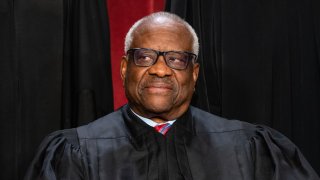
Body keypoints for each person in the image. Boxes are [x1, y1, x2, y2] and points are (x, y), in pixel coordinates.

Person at [25, 12, 319, 180]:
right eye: (145, 57)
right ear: (125, 68)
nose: (161, 70)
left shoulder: (250, 149)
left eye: (177, 59)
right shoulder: (76, 151)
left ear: (193, 74)